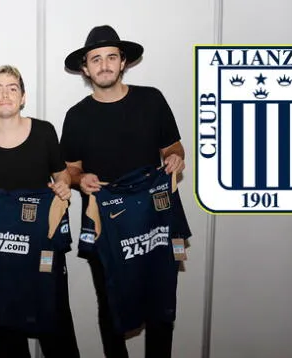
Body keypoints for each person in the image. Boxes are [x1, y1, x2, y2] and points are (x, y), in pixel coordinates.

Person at [60, 25, 186, 358]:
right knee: (111, 300)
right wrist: (80, 178)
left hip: (154, 217)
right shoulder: (76, 116)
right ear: (85, 68)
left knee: (161, 296)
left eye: (111, 57)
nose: (104, 65)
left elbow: (174, 147)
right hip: (105, 221)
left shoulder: (152, 99)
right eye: (96, 59)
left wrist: (175, 157)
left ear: (123, 62)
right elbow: (69, 169)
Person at [0, 65, 80, 358]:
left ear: (23, 97)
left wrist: (63, 186)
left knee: (57, 332)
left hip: (42, 248)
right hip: (2, 255)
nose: (5, 94)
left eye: (12, 88)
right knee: (7, 337)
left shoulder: (44, 132)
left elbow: (61, 175)